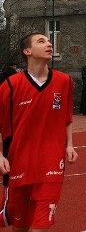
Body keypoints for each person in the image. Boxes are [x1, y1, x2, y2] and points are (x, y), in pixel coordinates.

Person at [0, 32, 78, 230]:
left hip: (52, 162)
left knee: (41, 224)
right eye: (41, 41)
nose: (49, 44)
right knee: (21, 225)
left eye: (49, 41)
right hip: (19, 162)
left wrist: (69, 145)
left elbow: (67, 117)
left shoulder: (64, 81)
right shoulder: (10, 85)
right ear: (27, 51)